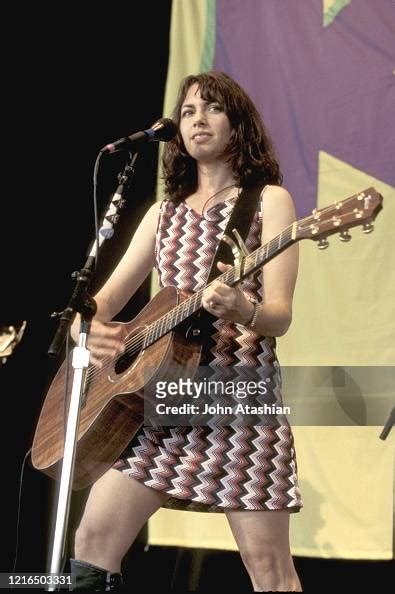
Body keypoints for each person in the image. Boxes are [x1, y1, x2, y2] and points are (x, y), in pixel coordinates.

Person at [69, 70, 303, 591]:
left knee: (270, 571)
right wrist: (94, 332)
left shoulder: (269, 201)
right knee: (91, 543)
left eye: (213, 109)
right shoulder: (163, 214)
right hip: (167, 399)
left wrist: (244, 308)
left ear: (237, 123)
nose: (198, 120)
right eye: (189, 111)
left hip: (240, 400)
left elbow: (280, 316)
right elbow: (99, 306)